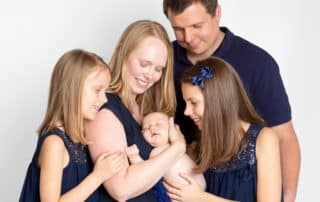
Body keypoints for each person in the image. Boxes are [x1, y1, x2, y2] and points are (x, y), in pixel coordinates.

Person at [162, 1, 300, 201]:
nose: (188, 38)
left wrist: (287, 197)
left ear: (217, 14)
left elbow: (285, 138)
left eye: (196, 26)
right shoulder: (163, 59)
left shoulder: (257, 64)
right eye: (178, 29)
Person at [85, 20, 186, 202]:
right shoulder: (104, 110)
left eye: (158, 69)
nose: (150, 75)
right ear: (123, 52)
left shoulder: (147, 109)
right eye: (144, 63)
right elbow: (120, 188)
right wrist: (177, 149)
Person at [164, 56, 282, 201]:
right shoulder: (199, 145)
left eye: (193, 103)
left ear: (217, 101)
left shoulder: (264, 140)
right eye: (186, 103)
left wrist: (201, 198)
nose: (186, 112)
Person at [19, 49, 127, 202]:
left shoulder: (78, 141)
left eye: (105, 91)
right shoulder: (54, 143)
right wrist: (98, 176)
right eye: (97, 90)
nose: (104, 99)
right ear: (73, 90)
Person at [126, 111, 206, 190]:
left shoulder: (176, 145)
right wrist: (134, 157)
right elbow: (147, 173)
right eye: (146, 128)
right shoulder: (155, 152)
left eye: (158, 124)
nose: (152, 128)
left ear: (171, 127)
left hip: (199, 192)